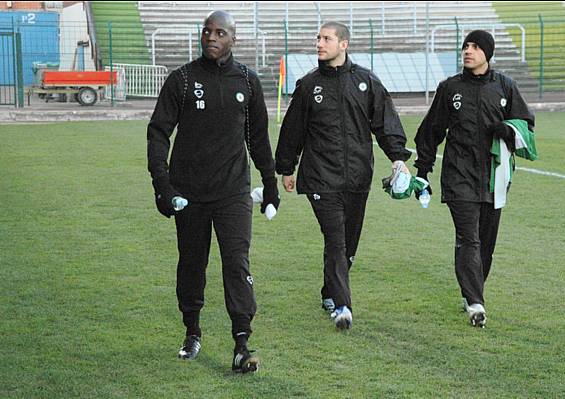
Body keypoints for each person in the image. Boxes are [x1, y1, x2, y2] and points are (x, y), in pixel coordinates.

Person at [147, 10, 279, 372]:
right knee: (192, 263)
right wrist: (163, 185)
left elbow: (258, 139)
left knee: (237, 263)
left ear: (233, 39)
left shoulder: (248, 82)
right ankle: (192, 331)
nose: (211, 37)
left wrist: (270, 184)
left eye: (220, 32)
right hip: (189, 192)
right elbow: (158, 133)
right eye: (206, 31)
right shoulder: (183, 80)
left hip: (233, 192)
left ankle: (242, 341)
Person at [275, 21, 411, 330]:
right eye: (318, 38)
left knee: (348, 245)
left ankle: (329, 292)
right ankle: (343, 307)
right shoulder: (308, 85)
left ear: (344, 44)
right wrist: (286, 167)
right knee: (335, 239)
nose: (319, 43)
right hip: (321, 177)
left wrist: (399, 158)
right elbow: (292, 130)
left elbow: (386, 124)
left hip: (358, 178)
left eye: (326, 38)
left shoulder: (366, 82)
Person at [414, 30, 534, 328]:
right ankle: (476, 303)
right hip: (458, 177)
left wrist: (507, 131)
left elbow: (527, 126)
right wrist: (422, 171)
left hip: (494, 179)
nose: (468, 51)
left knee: (486, 244)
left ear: (488, 53)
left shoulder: (506, 87)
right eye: (466, 46)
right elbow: (431, 131)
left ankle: (471, 292)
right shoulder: (449, 88)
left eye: (475, 47)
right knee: (469, 238)